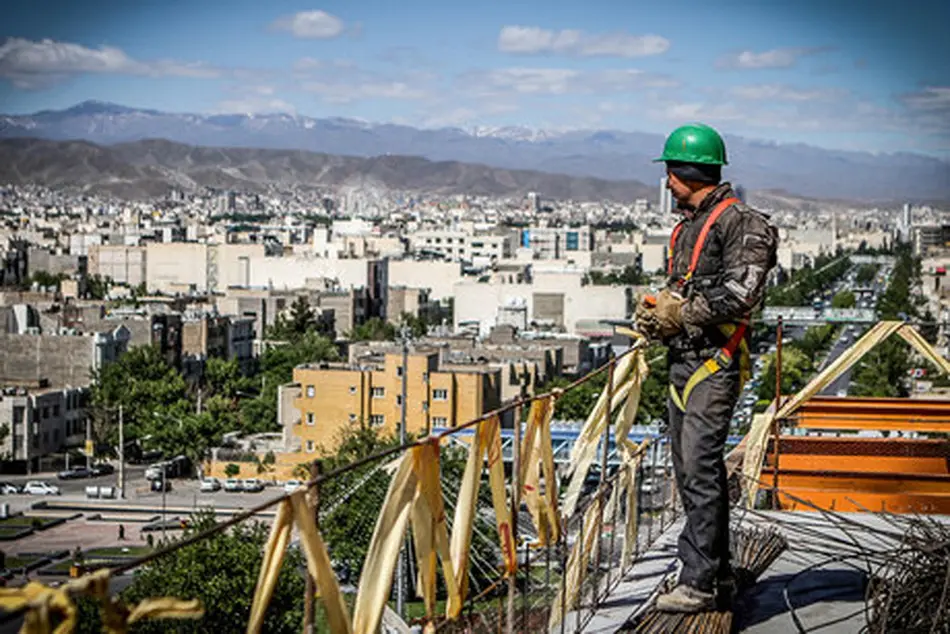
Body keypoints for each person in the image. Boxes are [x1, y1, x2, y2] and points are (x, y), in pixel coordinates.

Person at [636, 123, 778, 613]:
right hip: (687, 360)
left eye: (671, 174)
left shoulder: (741, 223)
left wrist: (683, 313)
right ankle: (714, 576)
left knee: (698, 467)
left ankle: (698, 583)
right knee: (691, 467)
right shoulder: (694, 225)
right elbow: (692, 286)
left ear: (688, 171)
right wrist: (662, 310)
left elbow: (744, 292)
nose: (668, 184)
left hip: (713, 362)